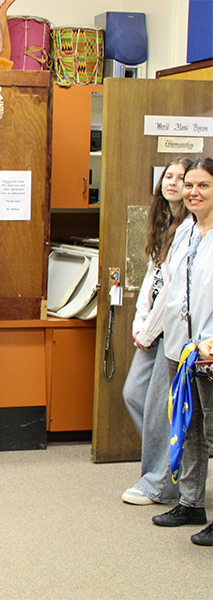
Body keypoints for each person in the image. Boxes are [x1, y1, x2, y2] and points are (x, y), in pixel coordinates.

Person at [120, 158, 192, 505]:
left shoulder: (191, 229)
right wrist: (139, 322)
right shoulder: (162, 222)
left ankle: (161, 483)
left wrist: (149, 330)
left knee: (163, 408)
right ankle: (170, 461)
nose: (174, 183)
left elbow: (174, 291)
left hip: (171, 331)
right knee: (135, 395)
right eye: (169, 177)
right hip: (151, 329)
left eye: (182, 178)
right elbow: (153, 281)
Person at [151, 157, 213, 547]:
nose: (192, 192)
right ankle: (191, 503)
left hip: (210, 350)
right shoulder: (185, 230)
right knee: (188, 428)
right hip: (180, 347)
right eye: (189, 185)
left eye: (203, 185)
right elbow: (171, 287)